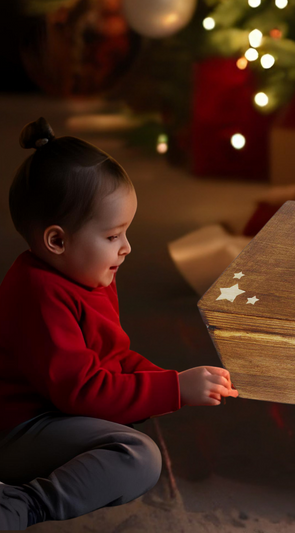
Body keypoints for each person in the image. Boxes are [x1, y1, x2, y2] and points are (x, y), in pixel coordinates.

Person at [0, 117, 239, 530]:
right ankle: (21, 504)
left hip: (54, 415)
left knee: (132, 421)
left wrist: (169, 379)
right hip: (17, 429)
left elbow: (112, 357)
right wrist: (174, 389)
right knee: (138, 457)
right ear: (56, 241)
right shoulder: (39, 292)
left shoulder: (88, 275)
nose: (127, 248)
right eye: (113, 236)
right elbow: (84, 390)